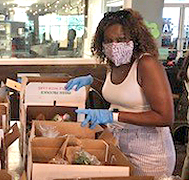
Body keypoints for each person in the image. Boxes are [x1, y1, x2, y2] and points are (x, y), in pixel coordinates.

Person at [65, 9, 175, 176]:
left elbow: (165, 117)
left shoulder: (146, 64)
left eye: (121, 40)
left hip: (149, 153)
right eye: (108, 41)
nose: (114, 46)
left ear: (135, 39)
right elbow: (124, 92)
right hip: (117, 143)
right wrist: (92, 81)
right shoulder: (114, 64)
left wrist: (113, 116)